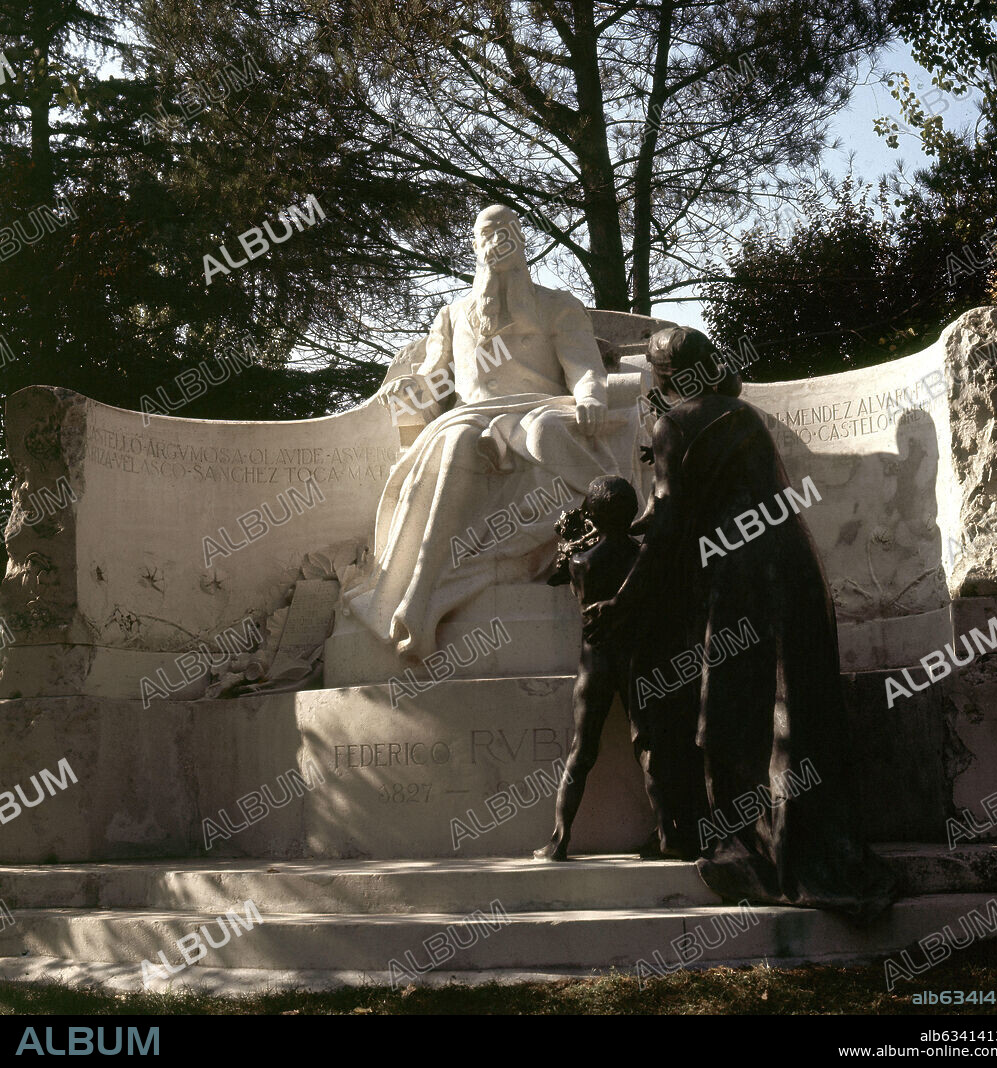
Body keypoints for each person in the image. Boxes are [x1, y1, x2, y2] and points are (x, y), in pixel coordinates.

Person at [585, 327, 897, 921]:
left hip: (744, 573)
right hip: (796, 566)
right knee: (797, 704)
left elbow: (672, 526)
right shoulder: (743, 416)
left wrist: (621, 603)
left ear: (666, 377)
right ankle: (805, 842)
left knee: (731, 711)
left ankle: (751, 849)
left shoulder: (675, 424)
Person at [343, 205, 636, 660]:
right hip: (471, 417)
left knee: (542, 435)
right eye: (486, 233)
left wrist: (591, 398)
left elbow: (583, 368)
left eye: (507, 231)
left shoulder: (557, 305)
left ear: (522, 240)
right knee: (455, 440)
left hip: (540, 410)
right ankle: (418, 595)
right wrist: (411, 386)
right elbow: (433, 381)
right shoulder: (453, 315)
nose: (496, 240)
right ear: (475, 245)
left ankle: (454, 582)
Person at [534, 476, 699, 860]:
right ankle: (669, 834)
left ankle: (560, 839)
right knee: (648, 746)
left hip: (594, 664)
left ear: (591, 514)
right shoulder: (642, 557)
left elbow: (558, 573)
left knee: (582, 750)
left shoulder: (580, 562)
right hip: (635, 661)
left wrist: (574, 533)